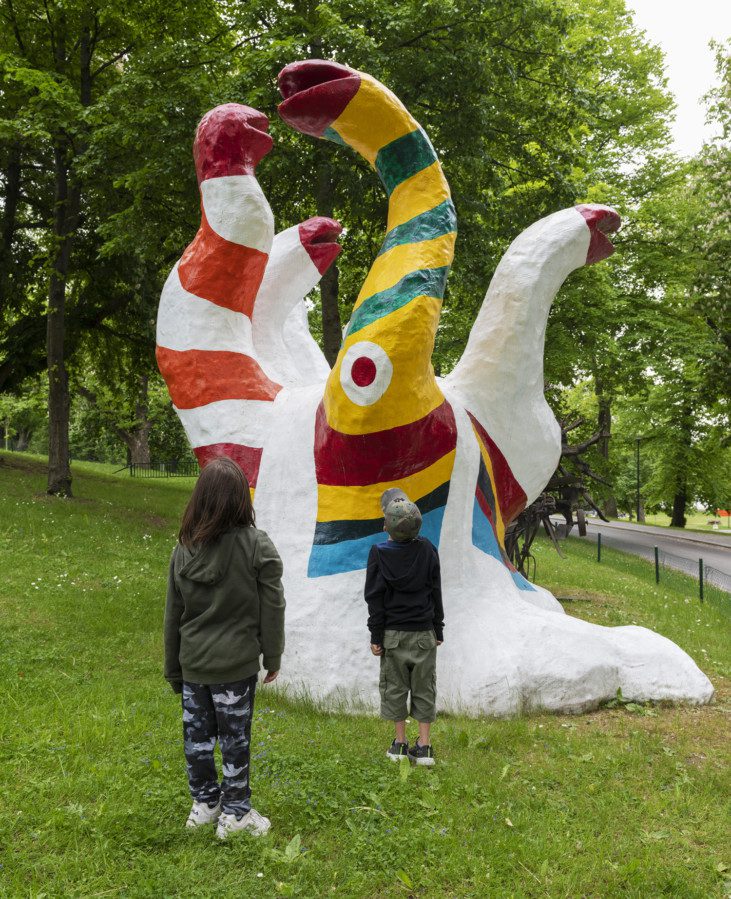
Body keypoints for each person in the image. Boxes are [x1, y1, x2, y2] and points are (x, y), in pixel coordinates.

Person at [163, 456, 285, 840]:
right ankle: (236, 813)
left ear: (199, 499)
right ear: (240, 500)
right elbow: (273, 605)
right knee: (236, 739)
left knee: (197, 741)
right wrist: (273, 654)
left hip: (194, 665)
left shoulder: (183, 550)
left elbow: (173, 614)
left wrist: (173, 668)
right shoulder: (256, 545)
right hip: (236, 666)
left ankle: (205, 804)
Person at [364, 492, 444, 766]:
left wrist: (376, 636)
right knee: (424, 688)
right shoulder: (428, 549)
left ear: (386, 526)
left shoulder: (378, 553)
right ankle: (425, 746)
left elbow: (374, 599)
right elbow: (436, 592)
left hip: (393, 637)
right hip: (424, 634)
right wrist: (438, 629)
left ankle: (400, 744)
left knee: (395, 688)